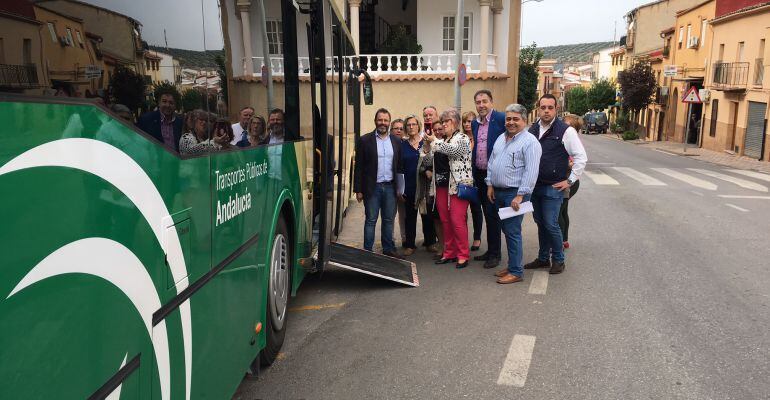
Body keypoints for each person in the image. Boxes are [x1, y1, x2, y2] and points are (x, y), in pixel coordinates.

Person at [524, 94, 588, 274]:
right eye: (543, 107)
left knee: (551, 223)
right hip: (535, 186)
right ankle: (543, 258)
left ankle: (559, 260)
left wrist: (569, 181)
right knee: (540, 222)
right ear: (538, 108)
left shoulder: (566, 130)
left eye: (550, 107)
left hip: (553, 187)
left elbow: (581, 157)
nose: (546, 111)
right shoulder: (533, 129)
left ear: (556, 109)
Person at [486, 104, 542, 284]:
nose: (510, 122)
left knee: (512, 232)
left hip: (515, 194)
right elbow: (492, 162)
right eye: (508, 119)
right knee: (506, 230)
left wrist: (521, 195)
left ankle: (516, 271)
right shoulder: (501, 139)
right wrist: (490, 184)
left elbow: (531, 172)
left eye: (515, 119)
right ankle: (512, 266)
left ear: (524, 121)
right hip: (499, 191)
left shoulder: (530, 142)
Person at [425, 108, 473, 269]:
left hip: (458, 185)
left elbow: (455, 151)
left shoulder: (462, 138)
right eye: (443, 121)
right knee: (445, 220)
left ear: (455, 123)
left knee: (457, 220)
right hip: (440, 185)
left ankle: (463, 254)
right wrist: (428, 145)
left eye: (447, 121)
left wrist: (435, 142)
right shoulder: (443, 140)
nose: (444, 124)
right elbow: (428, 159)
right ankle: (449, 252)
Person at [354, 108, 403, 258]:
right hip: (371, 188)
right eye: (380, 120)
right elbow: (359, 167)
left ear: (389, 122)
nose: (383, 123)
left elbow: (399, 166)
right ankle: (368, 251)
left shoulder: (396, 141)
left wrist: (400, 188)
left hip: (390, 187)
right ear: (375, 121)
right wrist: (358, 189)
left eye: (386, 120)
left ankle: (388, 249)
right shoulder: (364, 140)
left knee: (389, 220)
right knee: (371, 220)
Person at [471, 89, 507, 268]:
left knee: (493, 215)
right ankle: (491, 250)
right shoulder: (474, 123)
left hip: (494, 175)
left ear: (491, 102)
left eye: (484, 101)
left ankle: (495, 254)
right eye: (478, 102)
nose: (481, 105)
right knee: (487, 213)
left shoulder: (501, 119)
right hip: (479, 174)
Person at [400, 115, 436, 256]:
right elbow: (399, 167)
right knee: (410, 217)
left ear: (419, 126)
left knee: (427, 216)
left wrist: (429, 170)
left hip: (425, 187)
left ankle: (430, 242)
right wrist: (400, 188)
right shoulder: (402, 145)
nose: (411, 127)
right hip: (409, 186)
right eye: (408, 125)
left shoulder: (426, 142)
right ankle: (410, 245)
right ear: (405, 128)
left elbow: (433, 161)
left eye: (414, 124)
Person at [559, 114, 583, 249]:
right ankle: (565, 240)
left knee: (557, 213)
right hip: (567, 180)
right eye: (564, 124)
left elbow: (575, 162)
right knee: (563, 211)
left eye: (568, 125)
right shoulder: (564, 138)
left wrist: (568, 163)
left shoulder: (572, 141)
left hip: (569, 182)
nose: (564, 127)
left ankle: (560, 242)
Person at [462, 111, 483, 251]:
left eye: (470, 121)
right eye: (465, 121)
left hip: (476, 178)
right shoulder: (460, 138)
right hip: (462, 179)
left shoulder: (479, 137)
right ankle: (463, 238)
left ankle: (477, 238)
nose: (467, 124)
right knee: (462, 212)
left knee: (476, 209)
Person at [390, 119, 408, 246]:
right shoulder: (387, 143)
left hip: (403, 186)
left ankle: (405, 239)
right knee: (389, 215)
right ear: (391, 130)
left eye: (401, 128)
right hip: (390, 185)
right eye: (396, 128)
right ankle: (389, 240)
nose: (399, 130)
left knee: (404, 215)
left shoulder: (406, 144)